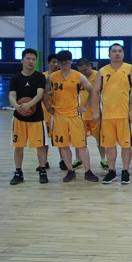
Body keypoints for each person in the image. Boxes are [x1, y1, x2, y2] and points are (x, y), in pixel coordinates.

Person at [44, 50, 99, 183]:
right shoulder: (52, 77)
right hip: (59, 116)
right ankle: (70, 171)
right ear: (58, 63)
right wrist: (48, 106)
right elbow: (44, 92)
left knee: (81, 145)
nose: (64, 66)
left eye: (67, 63)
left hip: (74, 115)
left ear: (71, 62)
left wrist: (86, 106)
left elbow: (92, 90)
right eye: (61, 63)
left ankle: (88, 171)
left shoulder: (79, 76)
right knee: (63, 145)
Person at [91, 43, 132, 185]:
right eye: (114, 51)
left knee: (126, 145)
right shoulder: (102, 71)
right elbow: (95, 91)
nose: (117, 53)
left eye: (120, 51)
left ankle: (125, 171)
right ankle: (111, 171)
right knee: (109, 145)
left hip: (124, 115)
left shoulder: (130, 69)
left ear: (123, 54)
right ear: (109, 54)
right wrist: (95, 111)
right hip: (107, 115)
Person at [9, 48, 49, 185]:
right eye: (28, 59)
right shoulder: (15, 78)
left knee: (40, 146)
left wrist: (29, 105)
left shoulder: (40, 77)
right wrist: (17, 106)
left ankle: (42, 171)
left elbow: (40, 94)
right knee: (18, 146)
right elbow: (11, 96)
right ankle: (18, 172)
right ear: (22, 60)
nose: (31, 61)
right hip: (19, 118)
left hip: (36, 118)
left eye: (33, 59)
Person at [76, 57, 107, 170]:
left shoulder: (99, 75)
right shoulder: (77, 77)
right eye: (80, 70)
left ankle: (103, 159)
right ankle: (78, 159)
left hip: (96, 112)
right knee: (79, 138)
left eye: (85, 70)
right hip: (81, 113)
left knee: (99, 138)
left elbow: (98, 93)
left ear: (90, 66)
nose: (83, 72)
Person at [42, 53, 60, 170]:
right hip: (45, 111)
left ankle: (63, 160)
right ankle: (44, 161)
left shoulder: (63, 76)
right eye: (53, 62)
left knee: (61, 138)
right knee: (44, 139)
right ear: (48, 63)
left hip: (59, 112)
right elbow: (38, 93)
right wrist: (48, 93)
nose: (56, 64)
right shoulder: (42, 76)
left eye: (58, 62)